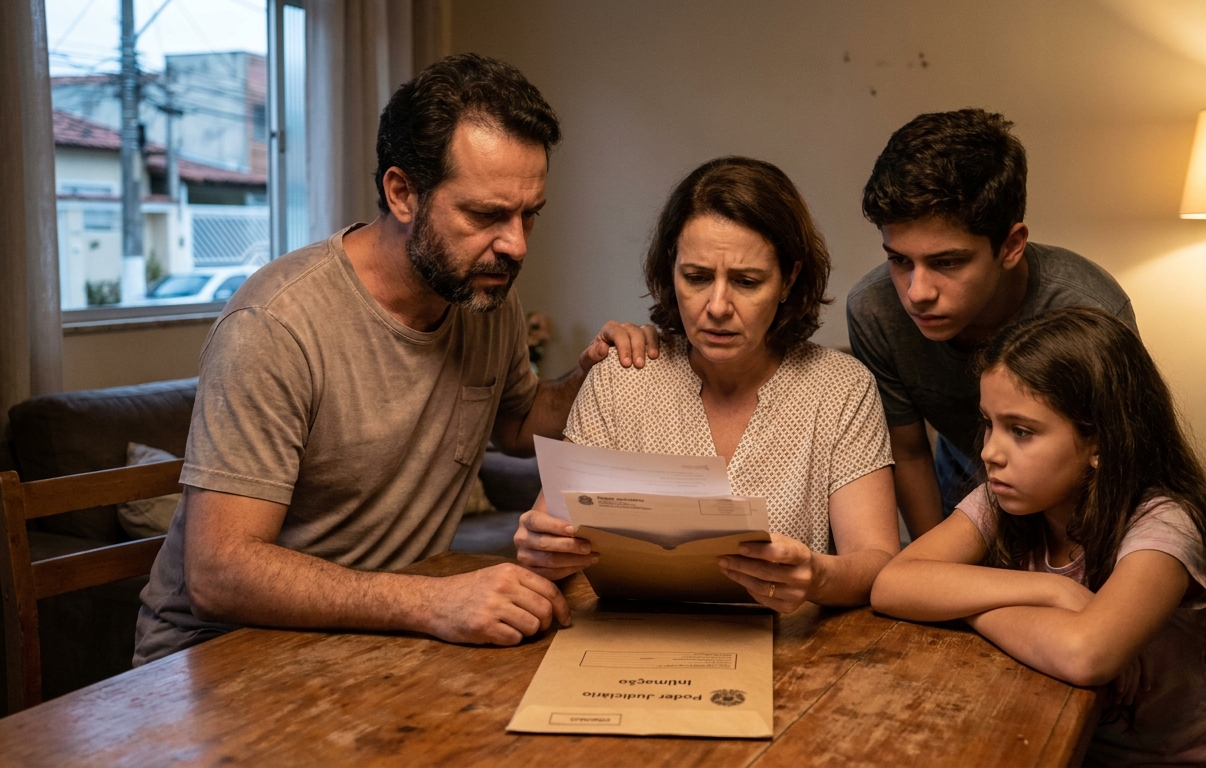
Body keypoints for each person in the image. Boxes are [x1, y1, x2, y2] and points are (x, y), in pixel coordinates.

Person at [133, 54, 662, 664]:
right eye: (486, 215)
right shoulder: (275, 325)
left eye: (529, 216)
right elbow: (220, 574)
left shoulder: (482, 297)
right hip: (218, 656)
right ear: (403, 192)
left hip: (375, 638)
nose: (515, 245)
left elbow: (516, 426)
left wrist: (589, 380)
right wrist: (432, 602)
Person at [871, 307, 1206, 766]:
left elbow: (1084, 653)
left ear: (1099, 441)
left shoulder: (1165, 524)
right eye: (988, 423)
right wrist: (1052, 590)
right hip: (1051, 744)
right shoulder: (1002, 500)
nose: (991, 452)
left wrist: (966, 609)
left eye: (1021, 431)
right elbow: (891, 584)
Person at [514, 157, 900, 612]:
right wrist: (542, 550)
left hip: (791, 650)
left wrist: (818, 575)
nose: (717, 306)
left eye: (746, 281)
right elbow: (545, 534)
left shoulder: (840, 389)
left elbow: (875, 561)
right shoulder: (624, 378)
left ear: (788, 280)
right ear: (670, 271)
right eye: (696, 278)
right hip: (633, 643)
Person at [846, 108, 1137, 538]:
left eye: (947, 262)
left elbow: (1114, 462)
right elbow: (908, 453)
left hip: (1078, 509)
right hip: (959, 490)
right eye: (900, 260)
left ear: (1011, 245)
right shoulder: (876, 312)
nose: (917, 291)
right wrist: (936, 571)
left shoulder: (1089, 309)